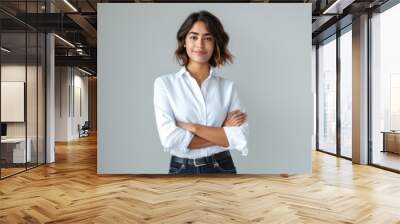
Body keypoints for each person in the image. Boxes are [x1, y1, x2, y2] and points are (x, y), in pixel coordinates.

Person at [153, 10, 249, 174]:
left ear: (215, 44)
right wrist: (222, 132)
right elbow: (169, 139)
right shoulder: (164, 84)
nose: (200, 44)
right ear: (184, 41)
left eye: (208, 38)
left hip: (222, 166)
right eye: (193, 37)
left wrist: (194, 128)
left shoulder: (228, 87)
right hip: (181, 168)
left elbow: (239, 136)